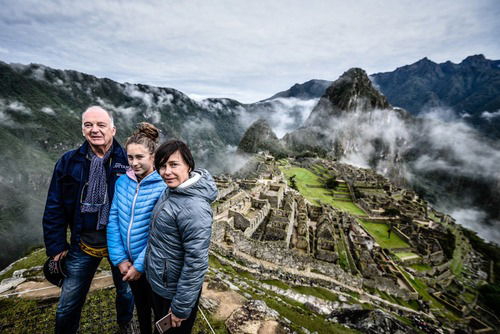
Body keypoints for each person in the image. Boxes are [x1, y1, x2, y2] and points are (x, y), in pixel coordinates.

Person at [42, 106, 134, 334]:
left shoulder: (129, 161)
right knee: (68, 302)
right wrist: (56, 246)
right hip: (83, 243)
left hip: (121, 244)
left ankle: (125, 323)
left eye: (101, 125)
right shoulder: (68, 162)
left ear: (113, 129)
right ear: (82, 129)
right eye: (88, 125)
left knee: (126, 292)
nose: (95, 130)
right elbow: (55, 205)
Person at [145, 140, 218, 333]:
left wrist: (180, 307)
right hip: (162, 283)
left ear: (189, 165)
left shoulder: (195, 208)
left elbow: (196, 262)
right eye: (162, 166)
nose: (166, 172)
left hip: (174, 292)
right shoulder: (173, 191)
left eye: (173, 164)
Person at [107, 122, 166, 334]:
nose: (134, 163)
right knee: (140, 308)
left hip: (152, 265)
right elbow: (113, 219)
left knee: (159, 311)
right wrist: (120, 259)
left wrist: (139, 265)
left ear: (153, 156)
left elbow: (159, 233)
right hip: (128, 263)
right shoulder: (122, 183)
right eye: (130, 157)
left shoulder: (163, 186)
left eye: (140, 157)